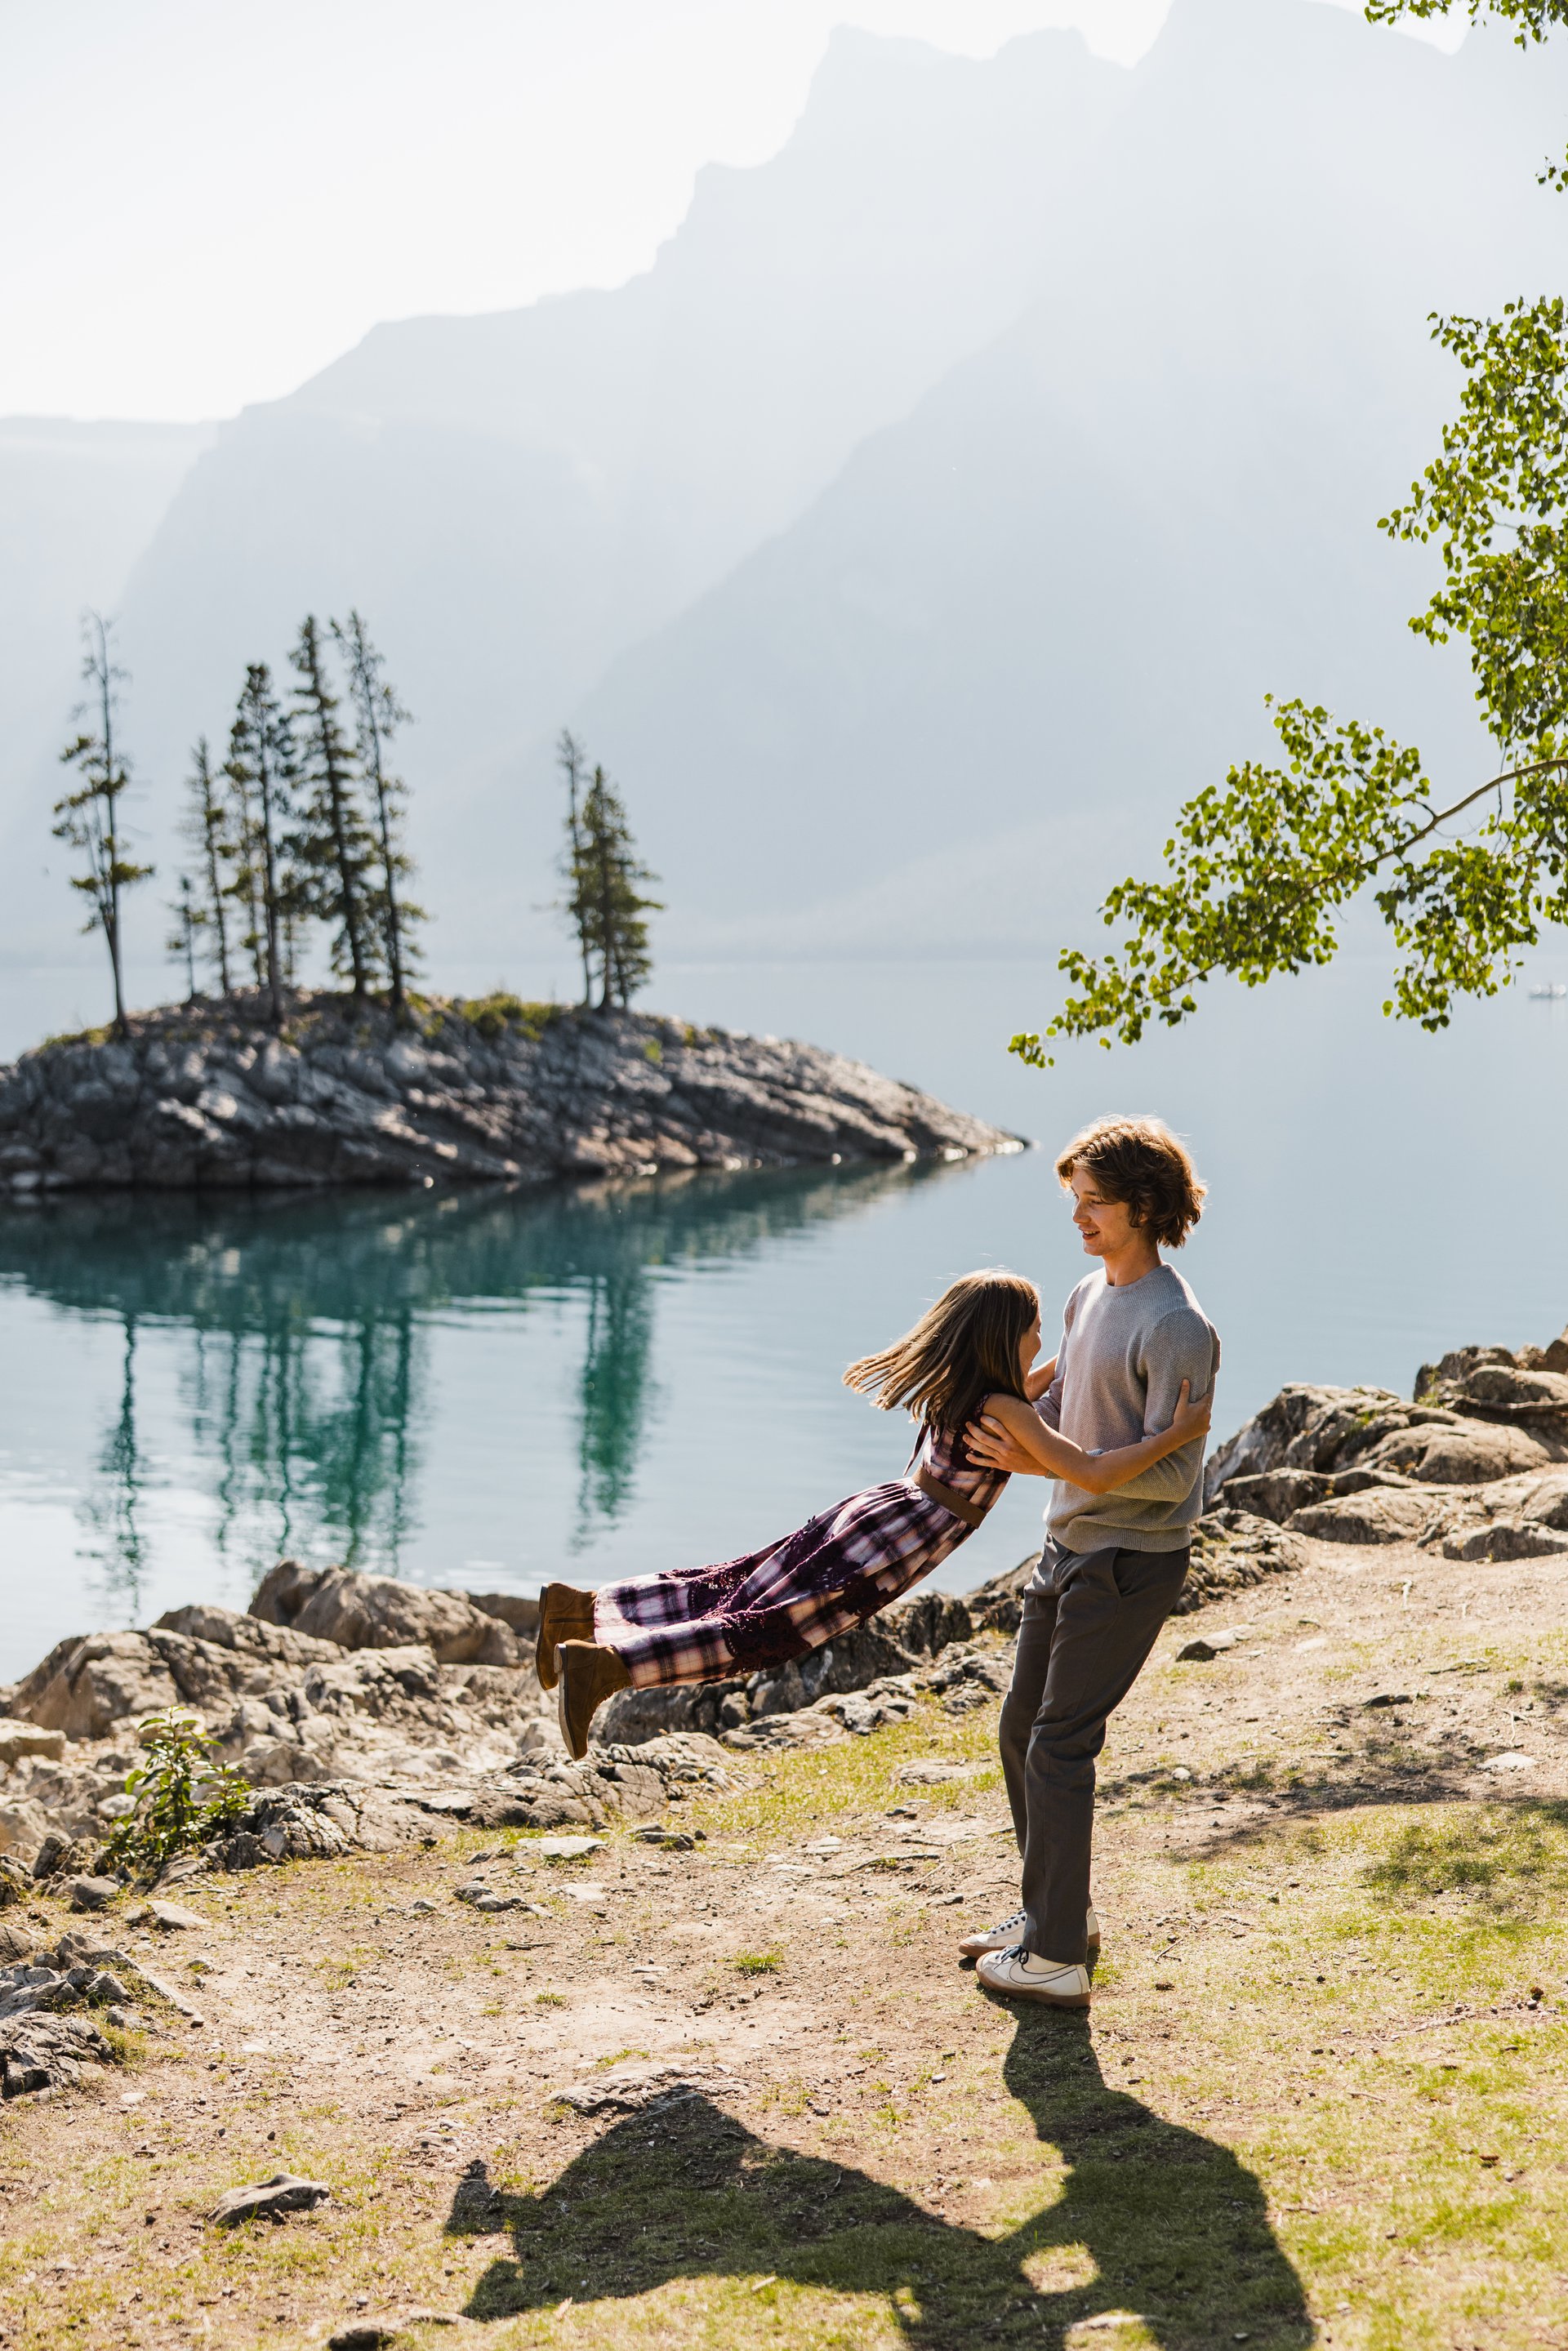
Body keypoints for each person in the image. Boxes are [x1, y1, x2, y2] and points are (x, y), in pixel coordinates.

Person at [534, 1267, 1213, 1760]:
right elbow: (1088, 1470)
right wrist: (1173, 1439)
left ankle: (582, 1606)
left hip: (872, 1511)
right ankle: (606, 1669)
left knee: (734, 1583)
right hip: (893, 1543)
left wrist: (1089, 1321)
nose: (1043, 1343)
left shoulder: (969, 1385)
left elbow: (1058, 1374)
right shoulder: (1005, 1408)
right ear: (1003, 1340)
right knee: (762, 1630)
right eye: (1035, 1332)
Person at [959, 1115, 1218, 2011]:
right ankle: (1054, 1912)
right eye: (1075, 1201)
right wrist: (983, 1387)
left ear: (1143, 1206)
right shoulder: (1085, 1293)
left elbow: (1175, 1474)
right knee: (1020, 1730)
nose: (1079, 1217)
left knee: (1062, 1743)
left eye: (1094, 1203)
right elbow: (1063, 1394)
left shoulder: (1179, 1325)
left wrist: (1045, 1460)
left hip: (1128, 1559)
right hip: (1065, 1543)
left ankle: (1058, 1957)